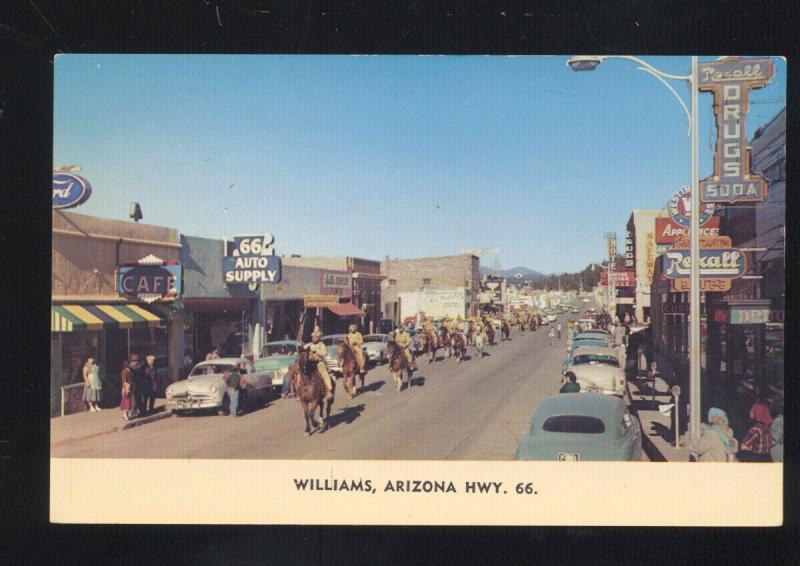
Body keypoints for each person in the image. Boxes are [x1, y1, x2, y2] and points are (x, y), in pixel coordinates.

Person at [304, 330, 334, 401]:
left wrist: (317, 351)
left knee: (325, 374)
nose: (313, 339)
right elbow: (304, 348)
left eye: (315, 337)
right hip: (310, 364)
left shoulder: (321, 344)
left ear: (318, 338)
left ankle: (329, 390)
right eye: (312, 337)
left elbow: (324, 353)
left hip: (319, 363)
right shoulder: (309, 344)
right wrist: (300, 347)